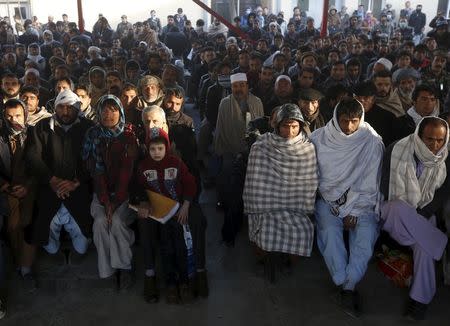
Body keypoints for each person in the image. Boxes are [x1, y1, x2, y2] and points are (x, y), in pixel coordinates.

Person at [311, 98, 384, 317]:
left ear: (360, 119)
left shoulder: (371, 141)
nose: (349, 127)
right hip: (329, 200)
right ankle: (344, 281)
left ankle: (347, 284)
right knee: (329, 232)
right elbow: (316, 178)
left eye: (354, 121)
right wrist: (341, 208)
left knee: (366, 235)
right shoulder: (319, 139)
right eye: (344, 121)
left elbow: (371, 182)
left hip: (363, 203)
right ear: (336, 117)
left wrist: (354, 211)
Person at [380, 117, 449, 321]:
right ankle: (440, 242)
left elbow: (442, 192)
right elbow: (385, 187)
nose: (435, 146)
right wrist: (411, 213)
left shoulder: (445, 156)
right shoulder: (397, 149)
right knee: (399, 207)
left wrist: (422, 213)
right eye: (429, 139)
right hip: (391, 211)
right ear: (418, 135)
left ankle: (420, 301)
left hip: (422, 212)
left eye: (440, 140)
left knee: (424, 249)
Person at [243, 103, 318, 281]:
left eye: (294, 126)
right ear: (277, 126)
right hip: (265, 207)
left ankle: (287, 260)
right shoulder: (261, 146)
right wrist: (261, 206)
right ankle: (261, 261)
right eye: (285, 126)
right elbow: (254, 182)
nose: (290, 131)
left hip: (295, 207)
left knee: (303, 230)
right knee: (261, 228)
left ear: (300, 126)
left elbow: (309, 182)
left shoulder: (307, 149)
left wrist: (300, 206)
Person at [25, 89, 94, 258]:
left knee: (82, 245)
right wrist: (51, 179)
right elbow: (33, 156)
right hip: (50, 189)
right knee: (49, 243)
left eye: (70, 107)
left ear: (77, 108)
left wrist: (76, 182)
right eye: (61, 107)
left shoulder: (89, 128)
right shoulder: (42, 127)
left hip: (78, 189)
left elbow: (93, 159)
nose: (65, 111)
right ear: (55, 108)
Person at [135, 127, 197, 304]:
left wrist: (186, 204)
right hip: (159, 215)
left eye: (160, 148)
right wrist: (143, 202)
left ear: (167, 147)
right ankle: (170, 284)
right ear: (147, 148)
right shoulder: (143, 167)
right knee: (166, 248)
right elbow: (138, 187)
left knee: (181, 246)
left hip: (178, 213)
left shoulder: (176, 163)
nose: (156, 153)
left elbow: (190, 183)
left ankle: (184, 282)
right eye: (153, 149)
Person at [82, 94, 138, 290]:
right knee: (99, 223)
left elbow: (126, 172)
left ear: (120, 112)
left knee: (116, 222)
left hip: (125, 195)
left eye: (113, 109)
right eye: (104, 110)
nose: (108, 114)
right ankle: (108, 269)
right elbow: (96, 172)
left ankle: (124, 267)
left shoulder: (129, 136)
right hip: (102, 194)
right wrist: (105, 201)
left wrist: (114, 203)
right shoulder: (93, 135)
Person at [215, 73, 264, 246]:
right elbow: (222, 130)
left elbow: (260, 131)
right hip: (230, 151)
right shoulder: (224, 103)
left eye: (242, 85)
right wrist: (235, 152)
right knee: (228, 173)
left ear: (247, 85)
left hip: (254, 151)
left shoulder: (257, 102)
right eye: (236, 86)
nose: (239, 89)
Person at [0, 99, 37, 289]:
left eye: (18, 115)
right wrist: (5, 186)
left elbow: (42, 165)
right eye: (9, 116)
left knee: (28, 222)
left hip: (30, 187)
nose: (14, 120)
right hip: (7, 189)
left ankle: (26, 268)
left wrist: (28, 186)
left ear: (25, 115)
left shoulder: (35, 134)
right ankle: (16, 263)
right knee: (12, 225)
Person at [353, 81, 396, 146]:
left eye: (366, 98)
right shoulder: (348, 116)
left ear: (373, 99)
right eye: (358, 98)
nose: (361, 101)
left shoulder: (388, 118)